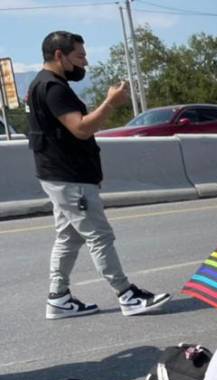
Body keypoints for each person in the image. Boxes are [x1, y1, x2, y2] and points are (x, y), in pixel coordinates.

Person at [27, 31, 170, 320]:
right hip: (69, 177)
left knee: (69, 237)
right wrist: (110, 103)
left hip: (60, 175)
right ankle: (126, 295)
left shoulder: (40, 86)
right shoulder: (53, 88)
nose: (85, 62)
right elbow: (80, 128)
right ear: (59, 55)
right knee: (99, 236)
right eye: (79, 56)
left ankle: (58, 297)